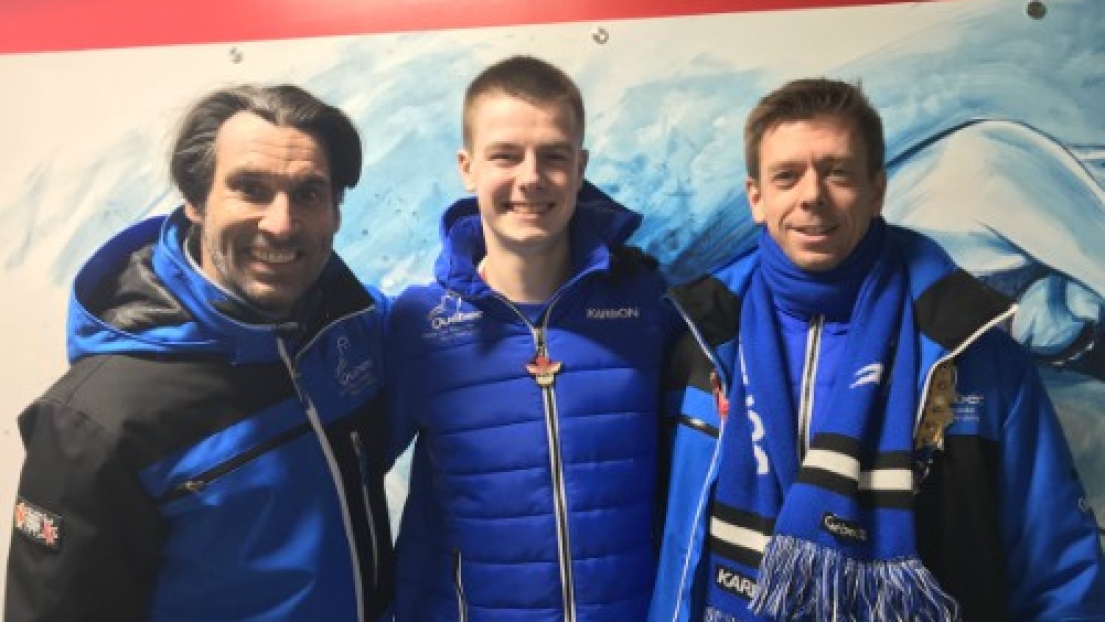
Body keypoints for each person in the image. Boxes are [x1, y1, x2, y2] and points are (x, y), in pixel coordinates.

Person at [649, 77, 1105, 622]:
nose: (812, 195)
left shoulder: (972, 351)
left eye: (837, 172)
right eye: (786, 176)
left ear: (876, 189)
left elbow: (1058, 565)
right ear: (757, 198)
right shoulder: (701, 347)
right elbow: (670, 551)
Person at [5, 84, 394, 622]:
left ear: (335, 212)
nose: (281, 223)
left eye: (308, 193)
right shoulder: (94, 421)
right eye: (251, 189)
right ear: (195, 201)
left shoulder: (350, 331)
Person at [386, 55, 680, 620]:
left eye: (553, 155)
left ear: (580, 164)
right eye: (505, 155)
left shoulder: (647, 308)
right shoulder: (416, 325)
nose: (530, 178)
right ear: (467, 167)